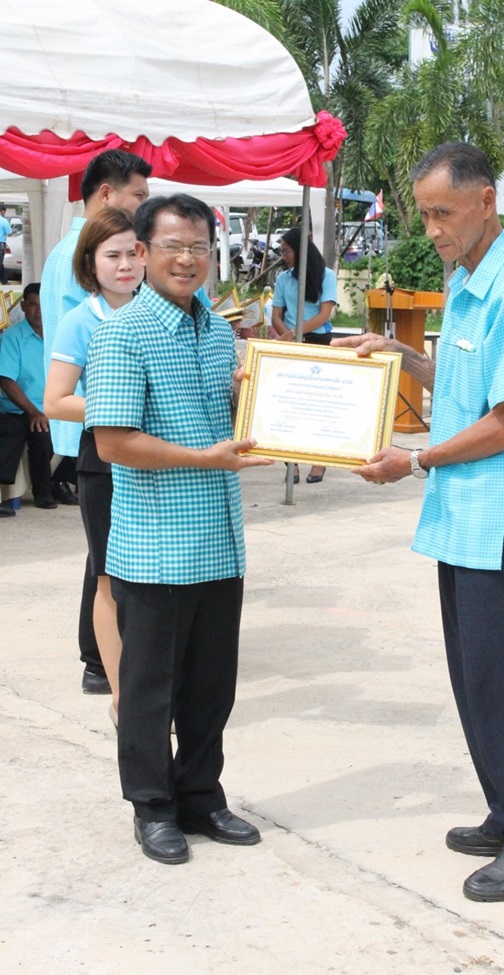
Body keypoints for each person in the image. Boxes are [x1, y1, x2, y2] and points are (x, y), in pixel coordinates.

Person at [333, 142, 504, 903]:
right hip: (466, 514)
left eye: (443, 212)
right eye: (425, 214)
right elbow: (469, 382)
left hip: (501, 516)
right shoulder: (468, 280)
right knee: (477, 676)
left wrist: (414, 459)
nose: (433, 228)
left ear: (486, 201)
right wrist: (398, 354)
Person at [85, 193, 273, 865]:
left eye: (199, 246)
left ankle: (201, 795)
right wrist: (203, 458)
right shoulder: (122, 333)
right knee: (148, 691)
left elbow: (224, 413)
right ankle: (153, 806)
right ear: (142, 252)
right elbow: (112, 441)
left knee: (210, 687)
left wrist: (256, 395)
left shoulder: (219, 332)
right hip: (156, 548)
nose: (188, 259)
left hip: (220, 542)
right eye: (173, 246)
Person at [40, 149, 152, 696]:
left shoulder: (153, 307)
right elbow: (58, 394)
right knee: (107, 567)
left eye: (134, 254)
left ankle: (126, 666)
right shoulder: (83, 305)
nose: (125, 264)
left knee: (127, 563)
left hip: (141, 447)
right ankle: (104, 668)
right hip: (99, 446)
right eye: (113, 255)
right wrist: (120, 406)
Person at [0, 284, 77, 512]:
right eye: (33, 305)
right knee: (40, 434)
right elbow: (6, 380)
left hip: (55, 406)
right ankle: (42, 493)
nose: (39, 311)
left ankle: (60, 481)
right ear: (23, 307)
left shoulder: (59, 336)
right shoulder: (13, 337)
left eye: (43, 305)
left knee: (87, 427)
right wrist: (34, 412)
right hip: (19, 408)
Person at [271, 227, 337, 484]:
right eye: (282, 251)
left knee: (317, 404)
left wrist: (294, 333)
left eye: (286, 251)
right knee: (288, 404)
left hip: (317, 341)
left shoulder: (327, 276)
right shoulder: (283, 278)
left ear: (300, 251)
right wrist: (287, 336)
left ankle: (320, 460)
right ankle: (291, 463)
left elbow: (324, 315)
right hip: (290, 341)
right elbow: (276, 315)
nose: (283, 256)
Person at [0, 203, 11, 285]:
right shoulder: (4, 221)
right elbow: (9, 233)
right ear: (2, 211)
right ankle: (4, 281)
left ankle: (4, 280)